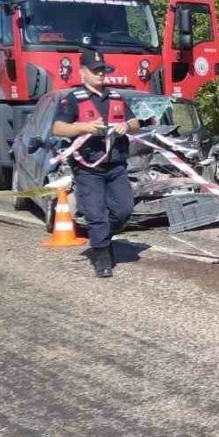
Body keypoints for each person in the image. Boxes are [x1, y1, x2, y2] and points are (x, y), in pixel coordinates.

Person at [52, 47, 141, 278]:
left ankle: (102, 237)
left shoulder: (116, 97)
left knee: (124, 210)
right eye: (96, 70)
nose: (101, 74)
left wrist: (126, 126)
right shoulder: (72, 99)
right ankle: (102, 255)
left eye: (103, 70)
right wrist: (83, 127)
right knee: (95, 213)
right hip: (88, 167)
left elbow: (135, 123)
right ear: (83, 72)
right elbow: (58, 128)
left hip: (116, 165)